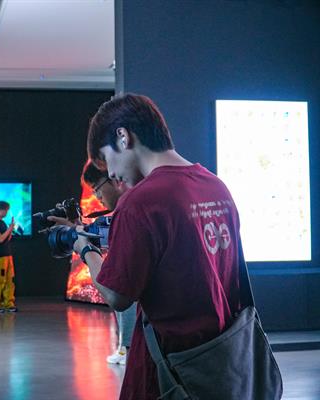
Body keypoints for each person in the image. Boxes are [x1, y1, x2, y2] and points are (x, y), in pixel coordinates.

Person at [74, 94, 242, 400]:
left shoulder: (141, 201)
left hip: (168, 372)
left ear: (123, 137)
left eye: (107, 159)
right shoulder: (215, 186)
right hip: (222, 365)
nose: (111, 174)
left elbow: (117, 295)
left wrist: (86, 251)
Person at [82, 161, 137, 365]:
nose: (97, 196)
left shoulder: (130, 211)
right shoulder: (128, 210)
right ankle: (125, 348)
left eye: (97, 188)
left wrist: (86, 250)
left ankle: (127, 348)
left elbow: (117, 297)